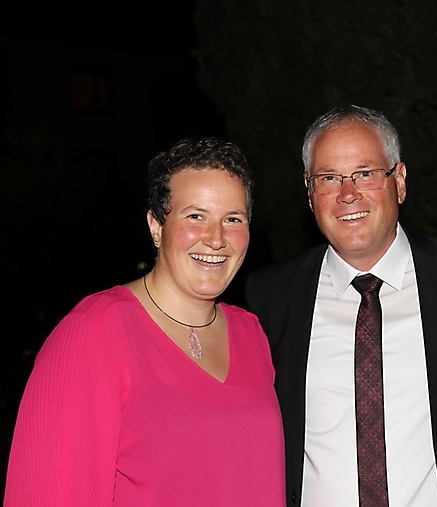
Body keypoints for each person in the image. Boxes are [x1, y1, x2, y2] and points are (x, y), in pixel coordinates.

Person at [245, 105, 437, 507]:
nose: (347, 194)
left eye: (366, 173)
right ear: (309, 193)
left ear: (399, 181)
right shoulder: (270, 296)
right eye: (328, 178)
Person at [5, 138, 285, 506]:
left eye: (233, 219)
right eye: (195, 216)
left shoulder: (252, 334)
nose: (216, 239)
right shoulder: (94, 332)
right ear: (156, 225)